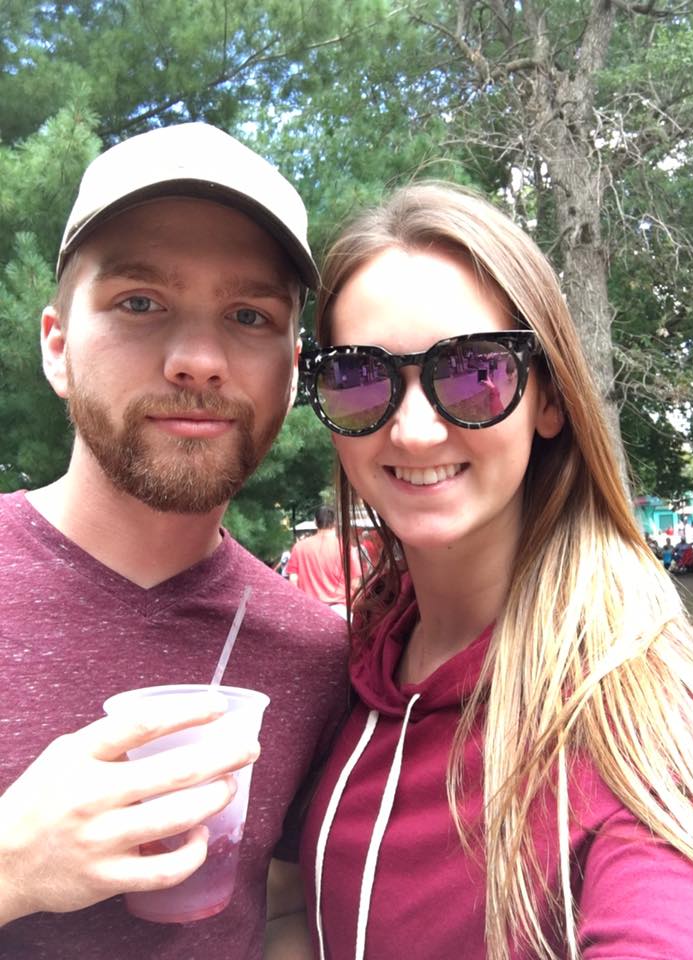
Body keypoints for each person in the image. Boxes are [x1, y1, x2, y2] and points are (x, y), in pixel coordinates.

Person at [297, 182, 693, 959]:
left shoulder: (639, 706)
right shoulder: (354, 667)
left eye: (472, 371)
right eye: (360, 378)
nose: (415, 430)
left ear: (549, 400)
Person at [0, 123, 348, 959]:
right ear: (57, 345)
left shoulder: (317, 655)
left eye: (247, 314)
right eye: (140, 303)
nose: (198, 359)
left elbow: (287, 910)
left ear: (292, 370)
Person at [286, 505, 361, 617]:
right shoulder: (344, 547)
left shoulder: (299, 547)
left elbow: (293, 580)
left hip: (309, 609)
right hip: (340, 609)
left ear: (315, 522)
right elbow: (355, 583)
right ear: (335, 523)